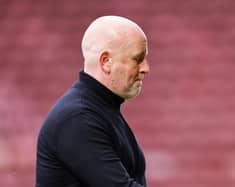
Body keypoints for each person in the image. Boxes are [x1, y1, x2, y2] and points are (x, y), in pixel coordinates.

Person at [36, 15, 150, 187]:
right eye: (137, 59)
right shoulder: (78, 119)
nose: (145, 68)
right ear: (106, 62)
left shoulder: (99, 109)